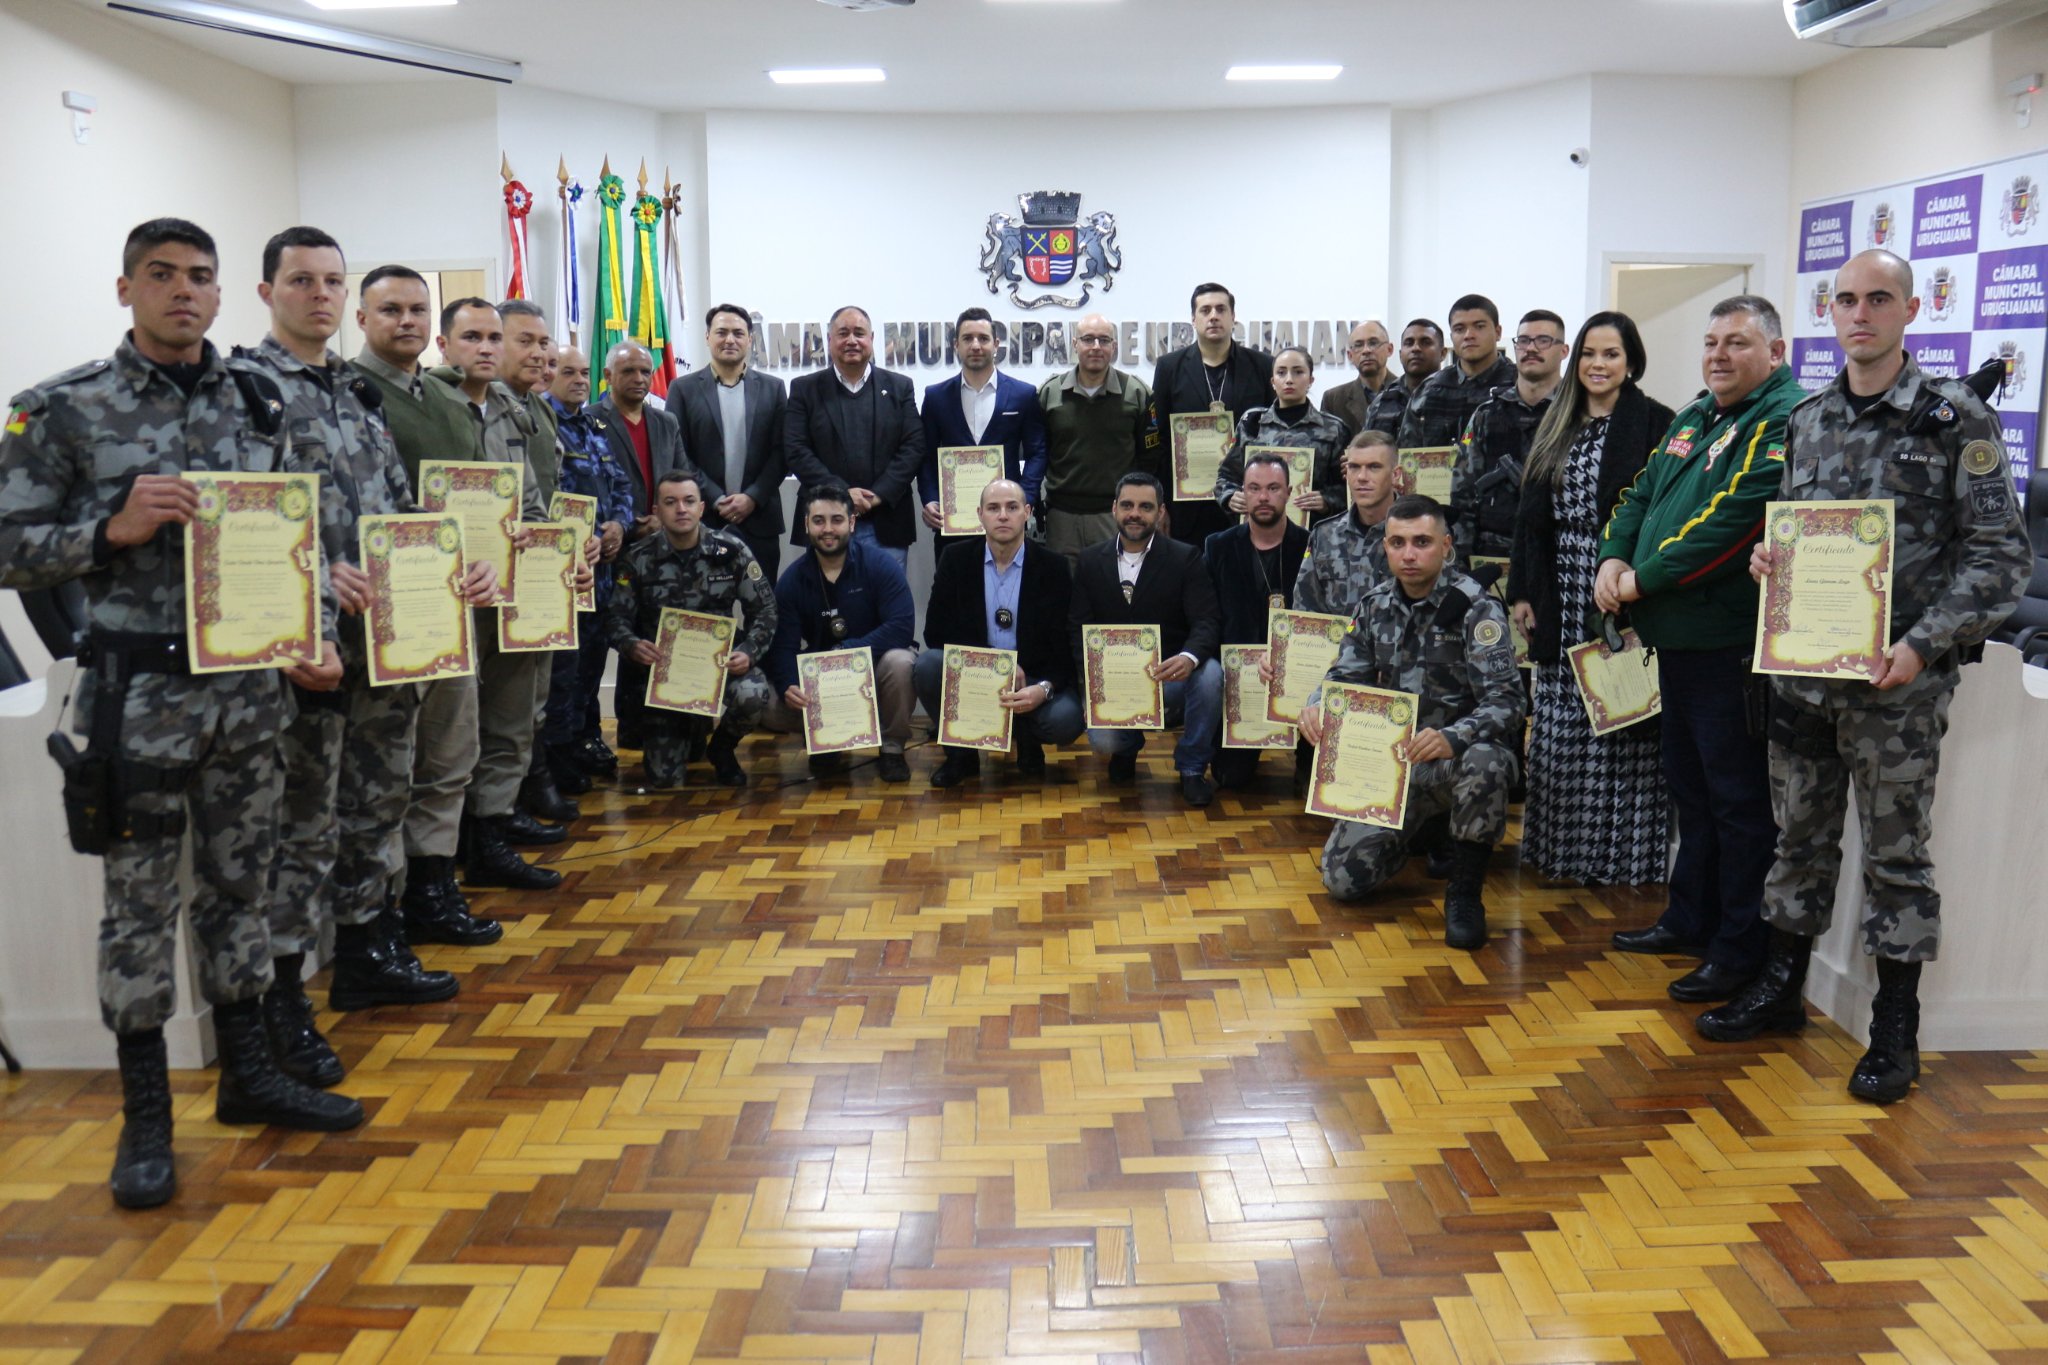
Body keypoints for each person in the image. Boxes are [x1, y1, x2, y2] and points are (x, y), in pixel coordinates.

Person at [0, 217, 363, 1209]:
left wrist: (314, 635)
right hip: (140, 702)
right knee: (139, 912)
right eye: (160, 276)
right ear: (125, 289)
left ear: (219, 293)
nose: (183, 293)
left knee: (241, 890)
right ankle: (146, 1119)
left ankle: (249, 1077)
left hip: (249, 696)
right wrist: (109, 530)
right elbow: (8, 544)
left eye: (200, 277)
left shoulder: (259, 399)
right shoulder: (61, 411)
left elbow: (309, 530)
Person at [1699, 250, 2030, 1105]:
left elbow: (1999, 558)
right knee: (1796, 840)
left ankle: (1895, 1026)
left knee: (1896, 860)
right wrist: (1773, 560)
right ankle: (1782, 987)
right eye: (1845, 299)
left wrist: (1921, 646)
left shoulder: (1955, 420)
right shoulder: (1807, 419)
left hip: (1899, 690)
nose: (1860, 314)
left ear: (1910, 309)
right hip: (1805, 679)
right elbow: (1795, 534)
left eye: (1877, 299)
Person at [241, 228, 479, 1082]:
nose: (319, 295)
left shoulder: (354, 392)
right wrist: (308, 597)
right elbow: (241, 527)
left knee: (379, 798)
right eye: (301, 281)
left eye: (331, 281)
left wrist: (455, 561)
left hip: (387, 639)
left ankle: (371, 949)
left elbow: (397, 508)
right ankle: (284, 1005)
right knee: (302, 826)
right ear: (267, 289)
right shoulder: (247, 391)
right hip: (304, 651)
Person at [1594, 295, 1803, 1004]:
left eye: (1737, 343)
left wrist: (1638, 580)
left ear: (1775, 352)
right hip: (1674, 643)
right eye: (1712, 342)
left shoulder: (1783, 418)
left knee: (1738, 804)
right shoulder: (1694, 413)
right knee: (1691, 792)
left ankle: (1737, 949)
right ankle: (1690, 917)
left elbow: (1736, 523)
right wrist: (1611, 558)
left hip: (1726, 647)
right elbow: (1637, 493)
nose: (1718, 355)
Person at [350, 276, 529, 933]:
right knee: (389, 765)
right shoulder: (349, 395)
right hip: (380, 608)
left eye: (416, 309)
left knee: (451, 752)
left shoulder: (451, 402)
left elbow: (473, 505)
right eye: (390, 309)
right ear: (362, 313)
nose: (406, 320)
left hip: (451, 604)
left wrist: (491, 555)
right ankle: (384, 908)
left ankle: (433, 888)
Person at [1297, 495, 1523, 950]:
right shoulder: (1374, 605)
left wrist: (1450, 737)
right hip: (1390, 769)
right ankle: (1424, 829)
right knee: (1342, 881)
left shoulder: (1477, 609)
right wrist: (1319, 702)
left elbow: (1509, 700)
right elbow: (1345, 675)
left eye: (1421, 542)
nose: (1409, 554)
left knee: (1488, 762)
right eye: (1397, 543)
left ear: (1446, 544)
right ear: (1385, 547)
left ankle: (1464, 892)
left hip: (1450, 760)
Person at [1508, 311, 1676, 886]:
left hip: (1620, 588)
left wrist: (1632, 576)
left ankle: (1619, 860)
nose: (1598, 365)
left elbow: (1663, 516)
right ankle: (1559, 855)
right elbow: (1530, 520)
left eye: (1611, 354)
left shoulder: (1657, 423)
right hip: (1559, 585)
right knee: (1560, 722)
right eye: (1589, 354)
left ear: (1631, 362)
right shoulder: (1558, 421)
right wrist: (1523, 591)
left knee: (1622, 720)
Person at [427, 299, 570, 887]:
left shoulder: (521, 410)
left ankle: (492, 831)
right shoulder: (430, 402)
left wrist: (560, 549)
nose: (534, 353)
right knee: (453, 733)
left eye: (543, 343)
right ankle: (455, 847)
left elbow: (531, 500)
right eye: (481, 337)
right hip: (446, 591)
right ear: (450, 343)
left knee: (514, 716)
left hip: (519, 587)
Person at [605, 473, 778, 789]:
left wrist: (749, 652)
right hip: (664, 675)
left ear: (701, 508)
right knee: (665, 781)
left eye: (688, 502)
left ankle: (722, 749)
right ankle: (692, 732)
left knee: (752, 694)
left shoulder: (731, 551)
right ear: (657, 511)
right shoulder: (638, 558)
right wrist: (632, 645)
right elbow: (615, 619)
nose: (681, 509)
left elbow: (765, 611)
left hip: (719, 664)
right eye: (670, 503)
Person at [1069, 472, 1224, 806]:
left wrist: (1189, 658)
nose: (1135, 513)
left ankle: (1192, 768)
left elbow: (1206, 621)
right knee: (1104, 741)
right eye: (1127, 505)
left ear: (1161, 512)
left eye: (1145, 506)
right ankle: (1126, 747)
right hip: (1115, 684)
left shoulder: (1186, 558)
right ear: (1114, 509)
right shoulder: (1089, 561)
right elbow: (1077, 629)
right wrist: (1088, 690)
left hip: (1170, 678)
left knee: (1211, 673)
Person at [916, 479, 1082, 787]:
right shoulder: (955, 560)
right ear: (980, 514)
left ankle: (1028, 742)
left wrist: (1043, 688)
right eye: (993, 508)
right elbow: (935, 633)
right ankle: (961, 754)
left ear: (1027, 512)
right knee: (927, 666)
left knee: (1066, 719)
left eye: (1012, 507)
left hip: (1030, 679)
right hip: (974, 677)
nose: (1002, 515)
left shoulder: (1054, 567)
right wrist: (994, 667)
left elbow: (1065, 648)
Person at [494, 298, 586, 829]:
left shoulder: (539, 407)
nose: (538, 353)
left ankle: (529, 785)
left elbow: (552, 495)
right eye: (523, 341)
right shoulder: (482, 405)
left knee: (536, 690)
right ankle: (502, 809)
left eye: (542, 342)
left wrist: (581, 542)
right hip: (500, 567)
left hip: (543, 567)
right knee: (508, 698)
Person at [764, 482, 919, 781]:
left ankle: (891, 749)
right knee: (766, 700)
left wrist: (846, 651)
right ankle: (827, 740)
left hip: (874, 673)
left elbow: (901, 628)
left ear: (851, 522)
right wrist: (788, 684)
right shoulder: (792, 580)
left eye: (836, 520)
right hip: (821, 683)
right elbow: (783, 644)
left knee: (902, 662)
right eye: (818, 521)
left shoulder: (881, 565)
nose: (828, 529)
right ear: (806, 525)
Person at [542, 344, 634, 792]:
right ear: (548, 374)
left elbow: (620, 485)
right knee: (562, 671)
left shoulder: (594, 426)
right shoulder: (542, 425)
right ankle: (555, 758)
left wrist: (618, 523)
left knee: (591, 665)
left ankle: (583, 739)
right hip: (554, 576)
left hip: (598, 572)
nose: (579, 379)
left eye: (584, 372)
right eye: (567, 371)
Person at [784, 306, 925, 568]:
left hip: (886, 523)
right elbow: (796, 450)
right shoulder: (805, 389)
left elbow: (914, 446)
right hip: (825, 521)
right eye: (843, 333)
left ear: (871, 338)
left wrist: (878, 495)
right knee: (826, 606)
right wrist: (843, 495)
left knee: (885, 605)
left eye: (859, 333)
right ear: (829, 340)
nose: (851, 340)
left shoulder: (899, 387)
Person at [1204, 452, 1309, 790]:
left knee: (1310, 783)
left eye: (1273, 488)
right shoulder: (1217, 546)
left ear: (1289, 493)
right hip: (1239, 683)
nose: (1264, 497)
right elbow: (1206, 615)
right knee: (1229, 778)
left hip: (1298, 680)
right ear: (1243, 494)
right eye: (1254, 488)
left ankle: (1304, 757)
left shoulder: (1312, 546)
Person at [667, 303, 789, 578]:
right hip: (704, 519)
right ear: (707, 337)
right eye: (721, 332)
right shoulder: (682, 389)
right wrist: (716, 498)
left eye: (738, 333)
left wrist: (752, 498)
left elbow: (782, 453)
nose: (729, 340)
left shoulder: (773, 388)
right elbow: (679, 454)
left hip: (760, 520)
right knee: (707, 613)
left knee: (763, 609)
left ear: (750, 339)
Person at [1148, 283, 1273, 547]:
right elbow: (1159, 440)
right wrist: (1160, 503)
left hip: (1244, 501)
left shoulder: (1262, 366)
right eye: (1205, 310)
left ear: (1233, 317)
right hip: (1186, 507)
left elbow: (1273, 434)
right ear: (1193, 319)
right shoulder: (1169, 367)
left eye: (1220, 309)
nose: (1213, 315)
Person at [919, 307, 1048, 551]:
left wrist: (1025, 499)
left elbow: (1038, 452)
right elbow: (925, 456)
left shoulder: (1023, 394)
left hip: (1006, 520)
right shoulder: (936, 397)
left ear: (996, 344)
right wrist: (930, 498)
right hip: (954, 524)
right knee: (956, 588)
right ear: (956, 345)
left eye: (983, 338)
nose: (976, 345)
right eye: (968, 339)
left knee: (1010, 586)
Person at [1452, 309, 1568, 563]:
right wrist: (1462, 559)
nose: (1531, 348)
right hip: (1493, 553)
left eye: (1543, 340)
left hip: (1556, 552)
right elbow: (1463, 493)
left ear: (1564, 351)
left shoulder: (1575, 415)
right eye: (1524, 341)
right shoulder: (1486, 414)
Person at [1037, 313, 1150, 560]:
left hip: (1116, 514)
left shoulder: (1136, 392)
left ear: (1114, 347)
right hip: (1062, 516)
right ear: (1075, 344)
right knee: (1064, 590)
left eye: (1104, 340)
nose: (1096, 347)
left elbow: (1150, 458)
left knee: (1114, 590)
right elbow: (1039, 454)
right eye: (1088, 339)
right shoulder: (1051, 393)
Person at [1214, 345, 1350, 526]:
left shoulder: (1333, 429)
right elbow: (1226, 475)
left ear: (1311, 380)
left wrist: (1327, 500)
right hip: (1257, 530)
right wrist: (1230, 496)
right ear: (1272, 381)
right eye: (1281, 373)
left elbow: (1350, 488)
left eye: (1298, 372)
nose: (1289, 380)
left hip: (1312, 533)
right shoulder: (1252, 422)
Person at [1294, 430, 1403, 619]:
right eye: (1354, 467)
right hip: (1335, 647)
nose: (1361, 477)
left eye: (1374, 467)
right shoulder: (1324, 535)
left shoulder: (1418, 535)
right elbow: (1305, 610)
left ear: (1395, 475)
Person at [1397, 295, 1516, 452]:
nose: (1468, 335)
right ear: (1452, 336)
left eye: (1479, 327)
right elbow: (1407, 454)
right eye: (1459, 329)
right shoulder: (1430, 388)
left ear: (1498, 332)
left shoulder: (1519, 383)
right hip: (1436, 476)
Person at [594, 339, 686, 539]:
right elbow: (588, 488)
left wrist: (663, 519)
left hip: (663, 539)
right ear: (608, 376)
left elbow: (682, 479)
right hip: (609, 541)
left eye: (645, 372)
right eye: (628, 371)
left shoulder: (667, 423)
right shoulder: (588, 420)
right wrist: (630, 525)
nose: (639, 379)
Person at [1364, 319, 1446, 437]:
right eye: (1409, 343)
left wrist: (1464, 448)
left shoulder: (1459, 394)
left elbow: (1470, 437)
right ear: (1400, 355)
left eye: (1425, 342)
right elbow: (1368, 444)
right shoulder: (1382, 402)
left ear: (1442, 353)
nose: (1416, 348)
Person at [1323, 321, 1393, 435]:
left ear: (1389, 349)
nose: (1366, 350)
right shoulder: (1333, 399)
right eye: (1359, 345)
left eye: (1373, 343)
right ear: (1350, 355)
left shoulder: (1408, 392)